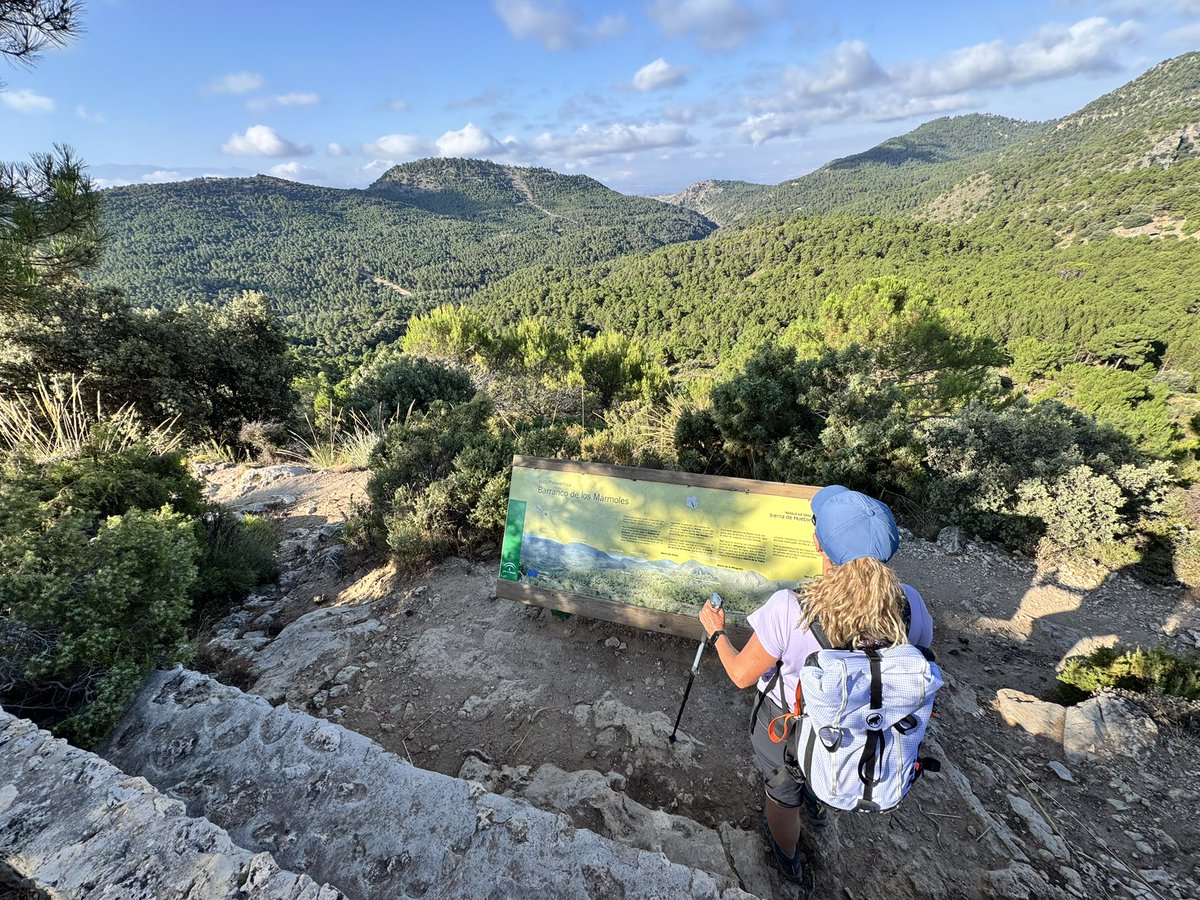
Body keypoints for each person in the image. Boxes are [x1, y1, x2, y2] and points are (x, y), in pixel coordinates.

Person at [698, 485, 934, 882]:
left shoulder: (790, 608)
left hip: (787, 722)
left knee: (782, 794)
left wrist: (716, 632)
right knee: (821, 762)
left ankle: (788, 857)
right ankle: (820, 799)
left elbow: (741, 674)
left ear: (818, 544)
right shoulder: (910, 604)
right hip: (861, 722)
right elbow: (919, 654)